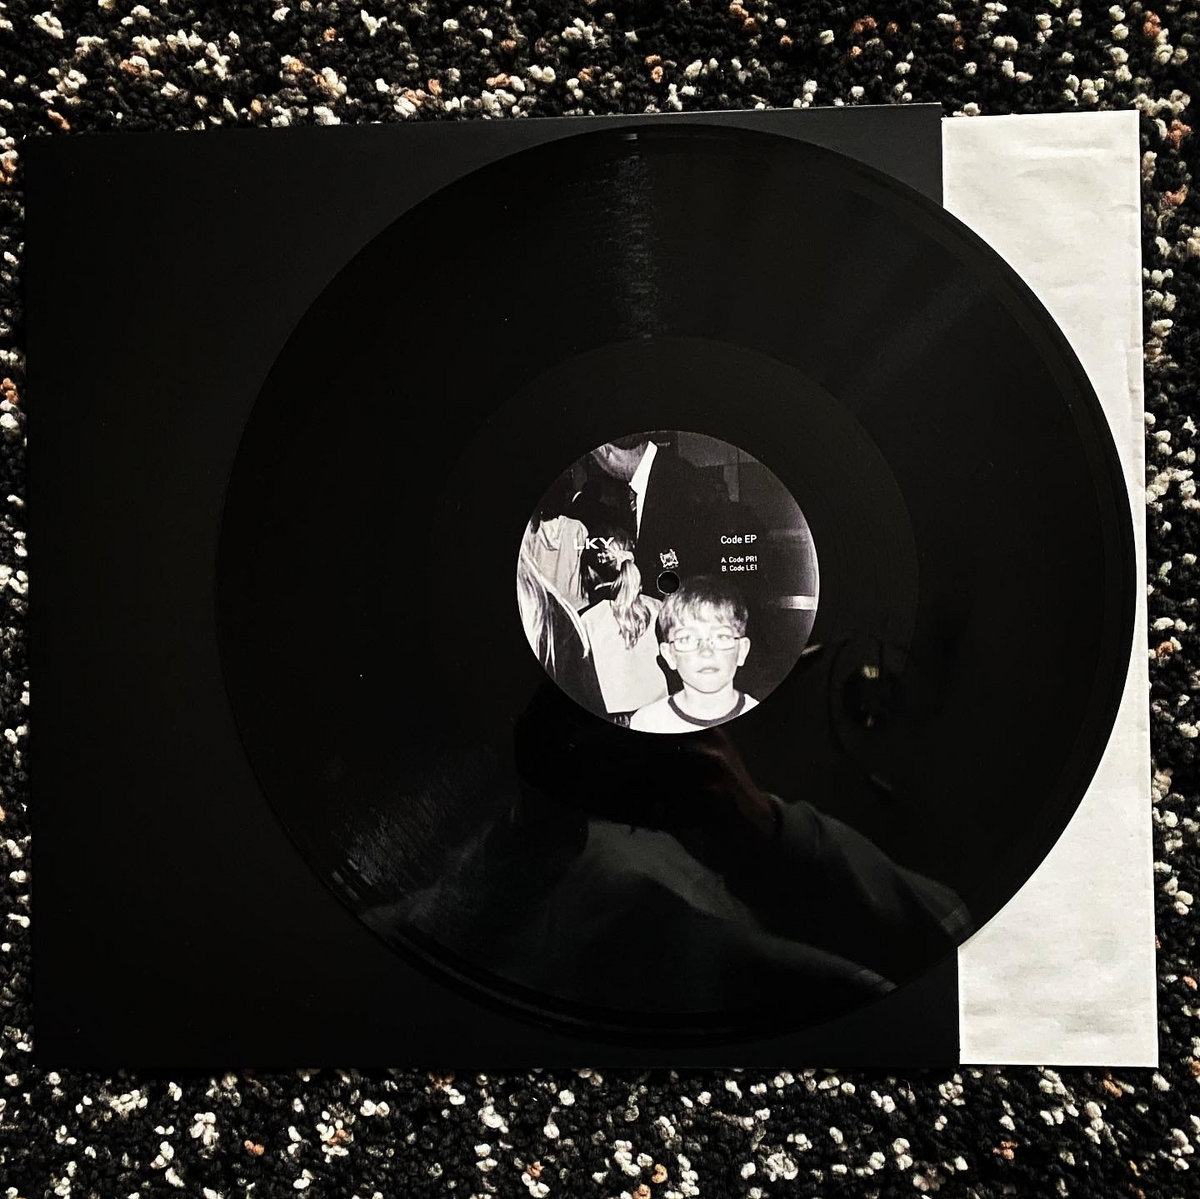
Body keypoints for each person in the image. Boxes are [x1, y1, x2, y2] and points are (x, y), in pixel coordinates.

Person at [631, 575, 757, 732]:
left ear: (742, 650)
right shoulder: (647, 724)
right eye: (687, 639)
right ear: (669, 655)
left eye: (721, 636)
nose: (706, 652)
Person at [577, 525, 668, 720]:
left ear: (589, 571)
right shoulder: (659, 607)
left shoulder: (585, 619)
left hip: (610, 719)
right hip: (660, 713)